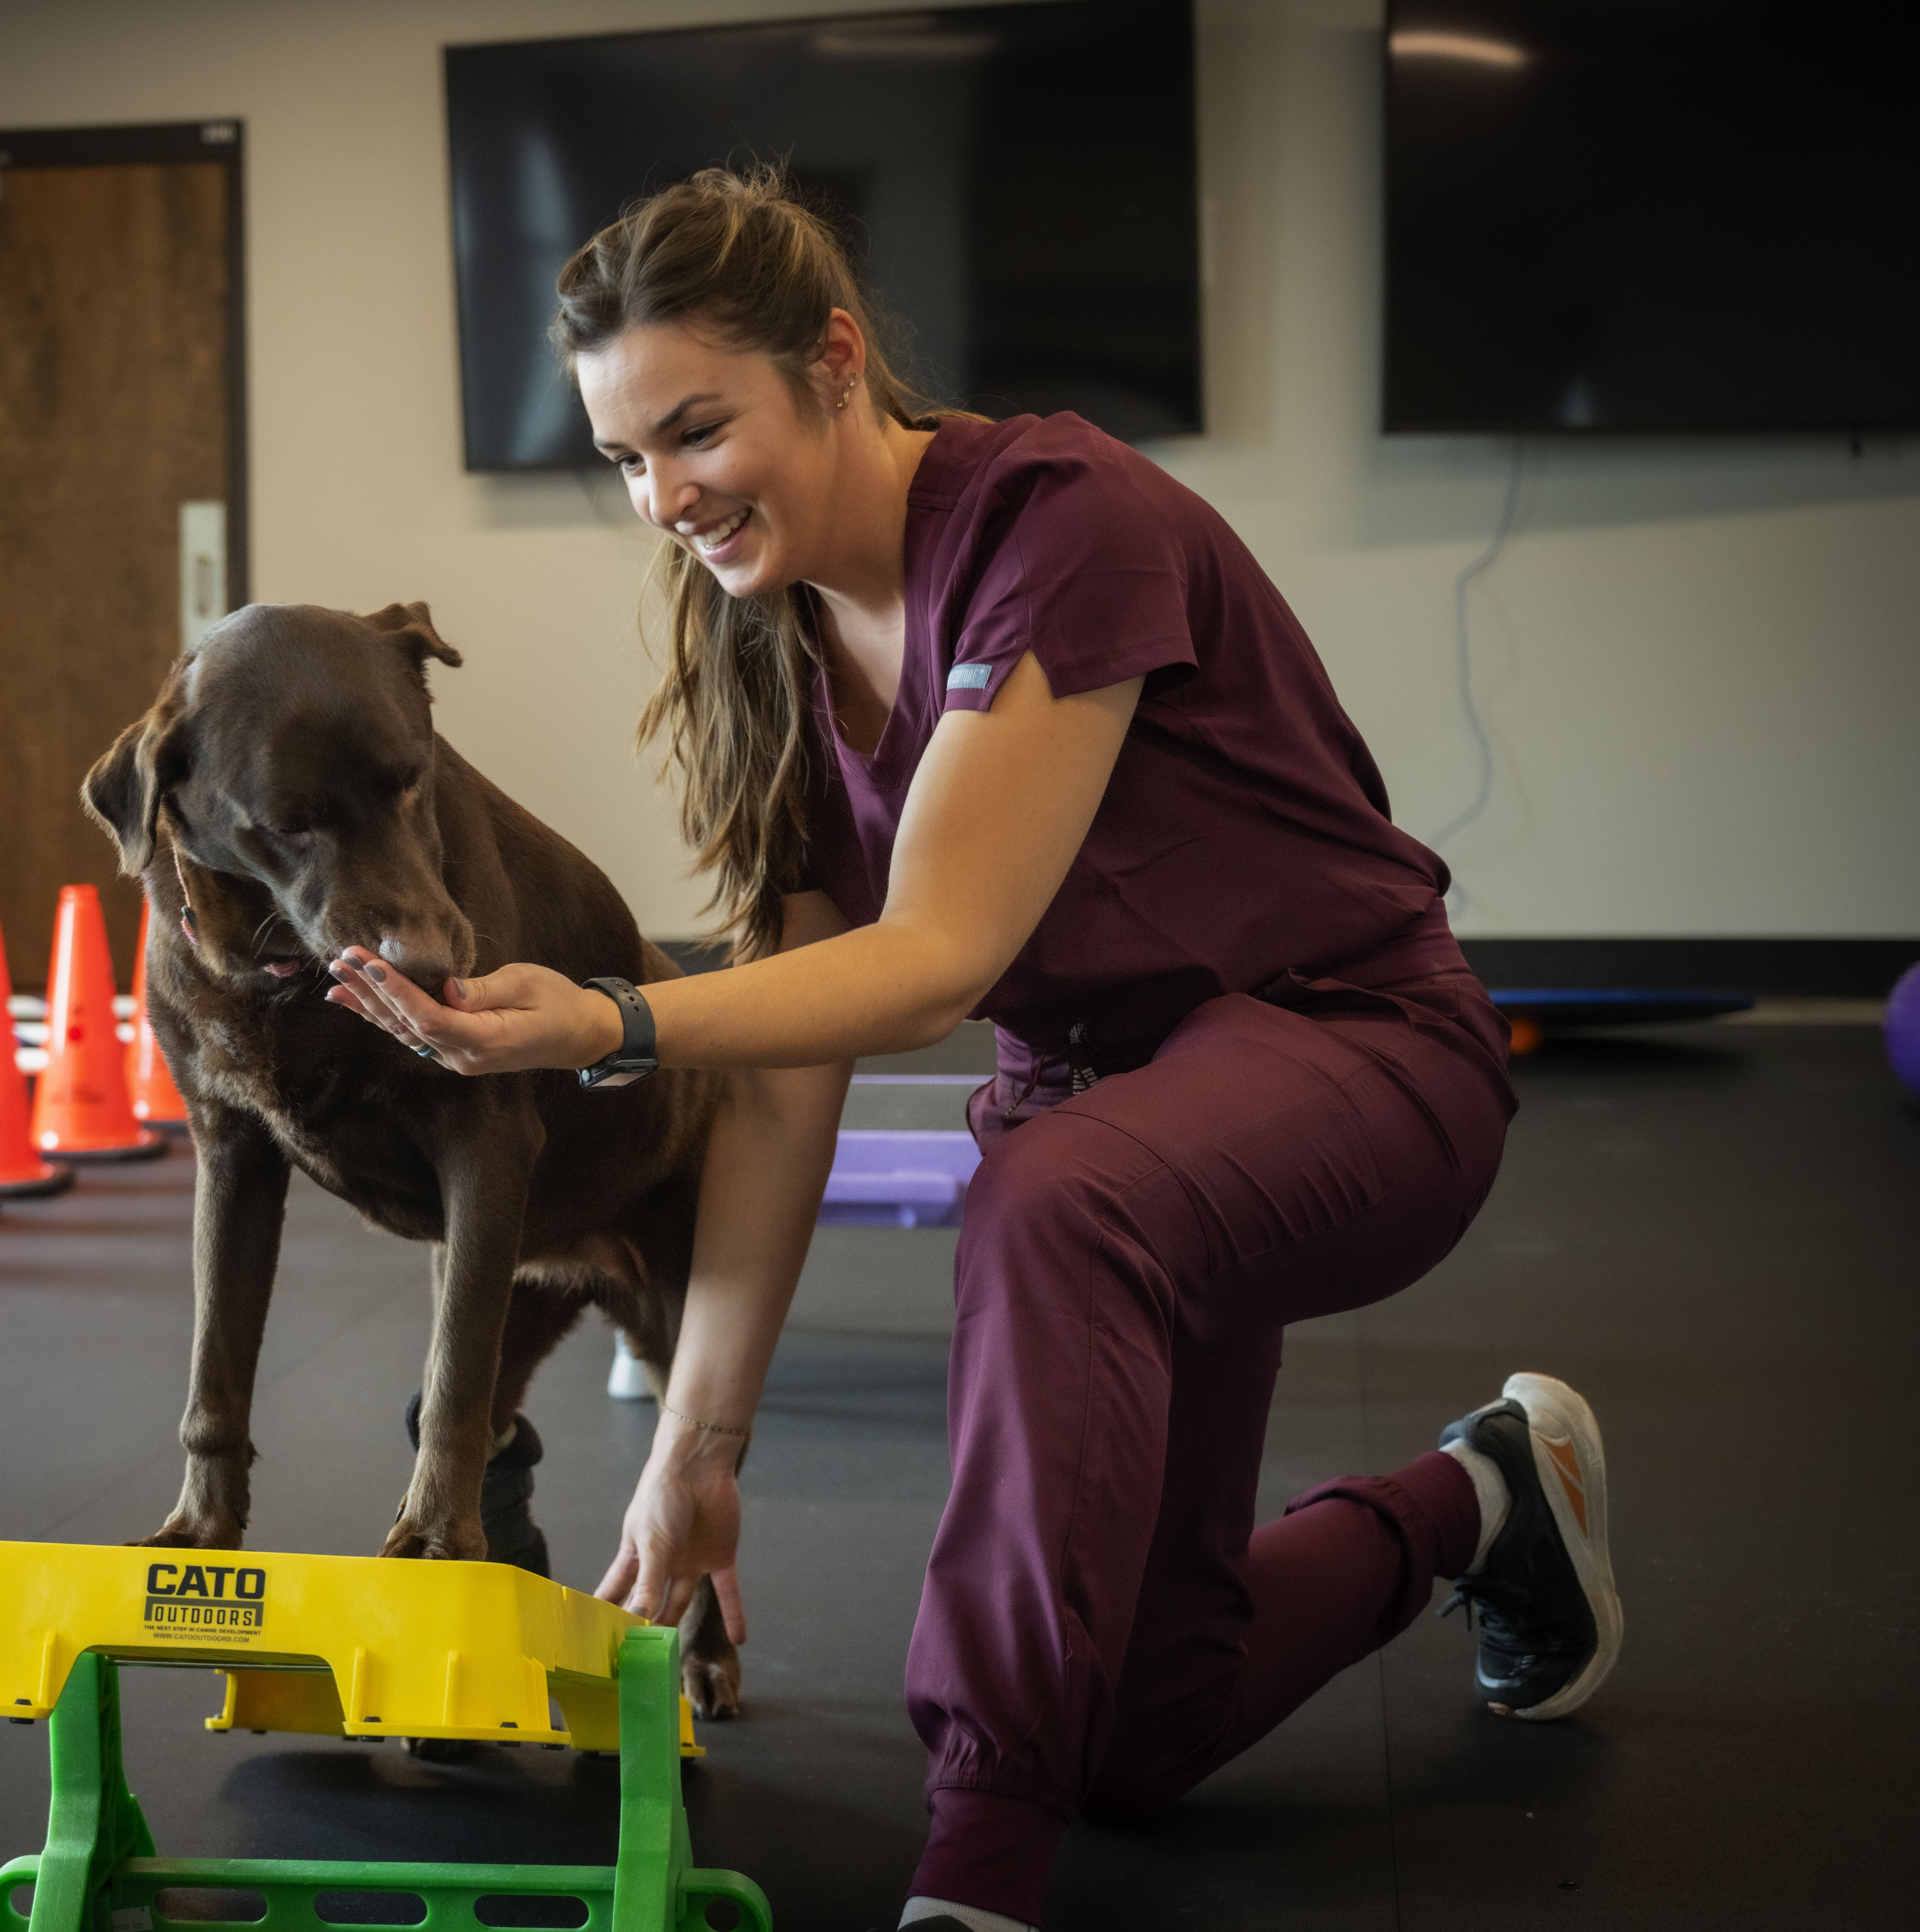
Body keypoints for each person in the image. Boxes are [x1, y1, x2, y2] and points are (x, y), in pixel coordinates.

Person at [322, 171, 1623, 1931]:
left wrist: (618, 1019)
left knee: (1051, 1196)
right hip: (1130, 1127)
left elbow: (934, 963)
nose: (665, 497)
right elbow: (791, 1072)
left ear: (836, 361)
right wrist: (698, 1441)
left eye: (697, 430)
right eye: (628, 460)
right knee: (1145, 1731)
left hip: (1363, 1054)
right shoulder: (766, 641)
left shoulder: (1062, 520)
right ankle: (1488, 1498)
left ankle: (977, 1873)